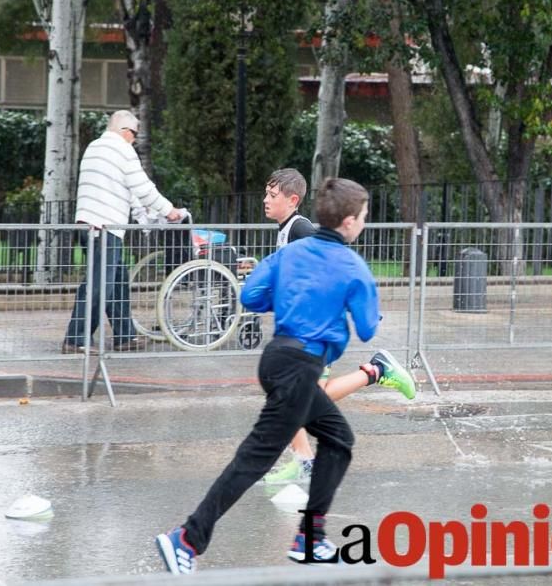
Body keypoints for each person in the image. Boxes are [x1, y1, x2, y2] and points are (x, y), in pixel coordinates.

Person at [155, 178, 388, 573]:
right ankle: (187, 538)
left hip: (277, 360)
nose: (364, 222)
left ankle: (310, 539)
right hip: (300, 369)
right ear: (348, 222)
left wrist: (288, 295)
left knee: (339, 439)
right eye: (364, 216)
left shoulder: (293, 252)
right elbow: (367, 329)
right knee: (255, 458)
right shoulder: (353, 266)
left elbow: (251, 297)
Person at [261, 168, 416, 484]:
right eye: (266, 194)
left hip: (316, 333)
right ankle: (303, 458)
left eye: (272, 196)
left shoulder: (300, 229)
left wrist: (358, 302)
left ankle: (377, 371)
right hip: (305, 332)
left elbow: (336, 262)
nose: (265, 200)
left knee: (298, 400)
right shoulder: (287, 228)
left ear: (292, 200)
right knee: (299, 398)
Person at [62, 110, 183, 354]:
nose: (135, 141)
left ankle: (125, 336)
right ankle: (76, 339)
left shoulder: (95, 147)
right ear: (126, 131)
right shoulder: (122, 149)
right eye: (135, 135)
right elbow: (142, 187)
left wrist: (141, 215)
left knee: (117, 281)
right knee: (99, 285)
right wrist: (169, 211)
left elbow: (126, 188)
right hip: (104, 226)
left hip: (90, 223)